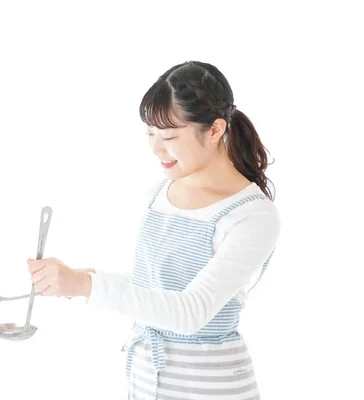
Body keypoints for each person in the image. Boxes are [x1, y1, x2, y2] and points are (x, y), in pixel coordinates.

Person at [27, 60, 280, 399]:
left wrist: (88, 286)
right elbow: (157, 286)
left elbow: (191, 312)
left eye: (170, 136)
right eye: (150, 133)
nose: (156, 149)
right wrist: (85, 279)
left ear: (216, 130)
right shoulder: (160, 192)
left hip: (213, 387)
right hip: (147, 380)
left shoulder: (252, 216)